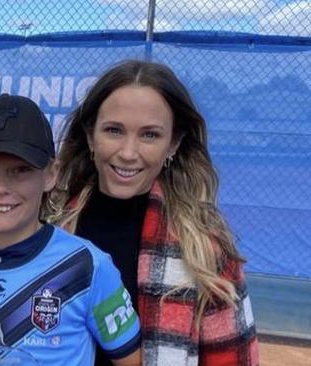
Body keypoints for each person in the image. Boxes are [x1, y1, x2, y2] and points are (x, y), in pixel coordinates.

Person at [49, 60, 259, 365]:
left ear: (173, 143)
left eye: (150, 135)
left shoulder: (204, 248)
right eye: (114, 130)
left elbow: (234, 359)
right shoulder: (47, 223)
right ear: (90, 135)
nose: (128, 152)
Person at [0, 94, 142, 365]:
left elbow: (130, 361)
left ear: (51, 174)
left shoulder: (88, 265)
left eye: (20, 170)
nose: (1, 188)